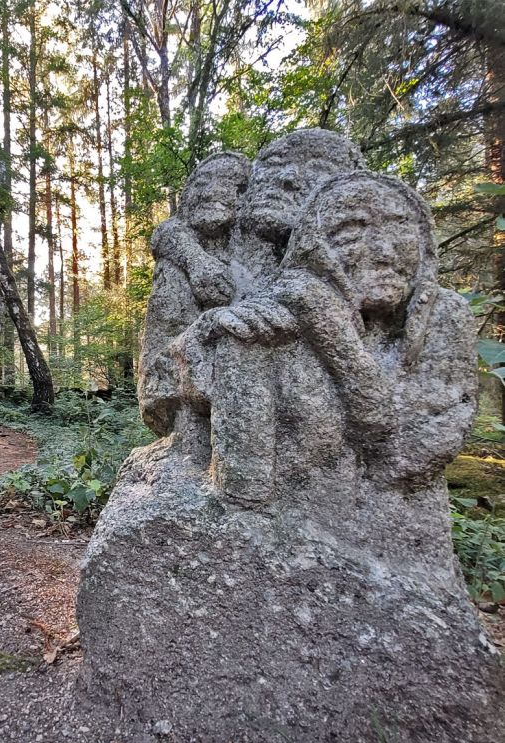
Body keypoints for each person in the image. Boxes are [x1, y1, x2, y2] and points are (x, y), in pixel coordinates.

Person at [188, 172, 476, 504]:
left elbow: (400, 459)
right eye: (352, 232)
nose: (384, 251)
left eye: (400, 228)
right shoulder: (283, 315)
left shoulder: (445, 316)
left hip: (379, 518)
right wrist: (210, 329)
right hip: (275, 508)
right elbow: (171, 388)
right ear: (317, 249)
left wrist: (330, 329)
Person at [138, 151, 250, 443]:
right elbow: (164, 232)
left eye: (226, 183)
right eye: (202, 183)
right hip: (173, 368)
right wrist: (196, 262)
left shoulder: (250, 242)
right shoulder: (181, 243)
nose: (211, 191)